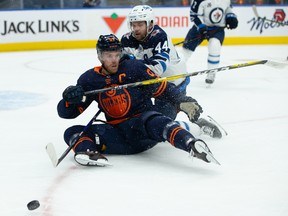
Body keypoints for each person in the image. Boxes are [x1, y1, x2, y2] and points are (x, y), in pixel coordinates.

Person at [57, 34, 220, 166]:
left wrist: (181, 100)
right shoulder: (89, 79)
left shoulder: (134, 68)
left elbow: (162, 88)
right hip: (118, 136)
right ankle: (89, 153)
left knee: (158, 121)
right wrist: (70, 99)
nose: (114, 60)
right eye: (108, 56)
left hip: (144, 130)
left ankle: (191, 143)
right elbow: (66, 114)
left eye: (116, 55)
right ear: (100, 56)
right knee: (72, 132)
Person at [121, 5, 223, 138]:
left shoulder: (160, 37)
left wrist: (132, 62)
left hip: (172, 84)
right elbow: (120, 64)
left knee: (160, 125)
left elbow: (157, 69)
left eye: (140, 24)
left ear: (150, 23)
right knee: (138, 118)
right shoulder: (127, 39)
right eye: (133, 24)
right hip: (148, 82)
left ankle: (198, 127)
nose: (135, 29)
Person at [182, 0, 238, 84]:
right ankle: (176, 70)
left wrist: (231, 17)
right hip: (199, 28)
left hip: (217, 29)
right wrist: (201, 27)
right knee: (185, 51)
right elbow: (194, 15)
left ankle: (212, 72)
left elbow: (228, 9)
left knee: (215, 46)